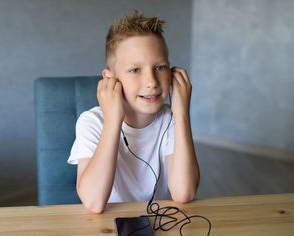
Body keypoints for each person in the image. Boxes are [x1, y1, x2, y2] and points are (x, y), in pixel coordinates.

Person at [68, 11, 200, 213]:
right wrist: (113, 121)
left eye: (159, 67)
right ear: (110, 78)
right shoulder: (92, 122)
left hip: (162, 224)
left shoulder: (171, 120)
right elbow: (93, 202)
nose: (151, 82)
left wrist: (182, 114)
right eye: (135, 70)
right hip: (109, 228)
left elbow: (184, 192)